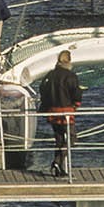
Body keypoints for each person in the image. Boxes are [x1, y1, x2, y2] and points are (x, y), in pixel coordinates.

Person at [39, 49, 82, 177]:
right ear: (68, 61)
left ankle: (59, 168)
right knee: (72, 138)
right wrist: (76, 104)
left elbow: (43, 89)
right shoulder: (71, 76)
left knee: (58, 139)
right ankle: (57, 162)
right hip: (66, 111)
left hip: (52, 110)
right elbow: (77, 93)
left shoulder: (50, 75)